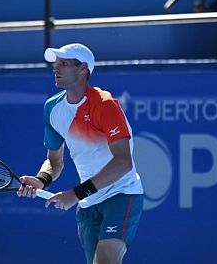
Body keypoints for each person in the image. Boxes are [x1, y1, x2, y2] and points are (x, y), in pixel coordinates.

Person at [17, 43, 144, 264]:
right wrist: (41, 180)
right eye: (56, 64)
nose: (56, 69)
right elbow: (54, 161)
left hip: (121, 194)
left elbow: (123, 162)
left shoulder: (105, 105)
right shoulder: (52, 109)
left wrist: (75, 194)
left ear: (83, 69)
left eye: (64, 64)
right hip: (87, 204)